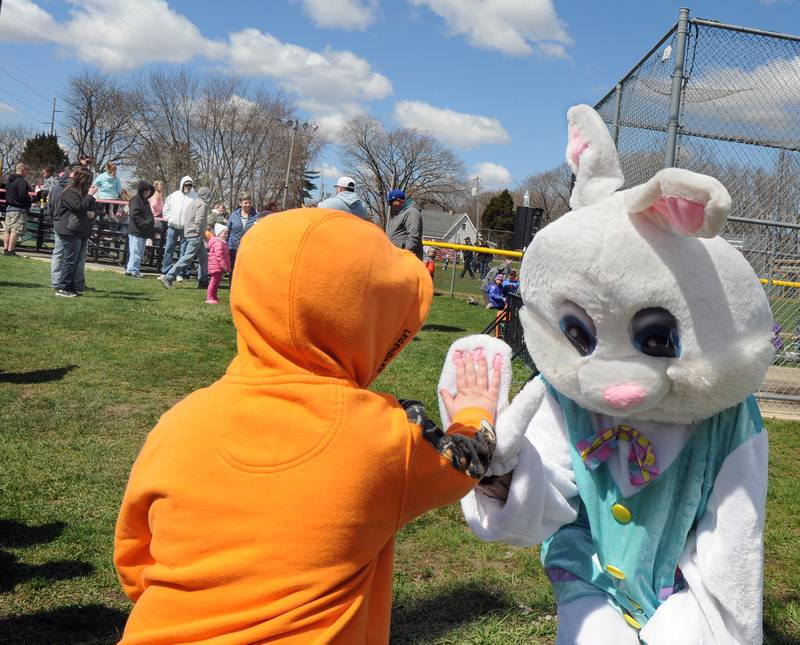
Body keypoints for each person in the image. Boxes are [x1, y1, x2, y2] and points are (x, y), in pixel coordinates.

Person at [114, 208, 501, 644]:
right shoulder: (387, 436)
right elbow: (466, 464)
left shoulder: (177, 423)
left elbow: (134, 558)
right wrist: (474, 414)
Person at [52, 168, 97, 297]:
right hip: (69, 230)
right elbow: (79, 208)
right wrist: (89, 196)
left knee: (76, 260)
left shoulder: (82, 194)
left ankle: (72, 287)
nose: (90, 184)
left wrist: (92, 213)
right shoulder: (69, 193)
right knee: (69, 259)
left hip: (81, 231)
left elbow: (92, 211)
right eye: (89, 181)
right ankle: (64, 287)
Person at [159, 186, 211, 288]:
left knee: (204, 258)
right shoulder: (203, 204)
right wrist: (201, 233)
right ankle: (169, 277)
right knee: (187, 257)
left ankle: (203, 280)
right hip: (196, 235)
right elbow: (199, 221)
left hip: (190, 233)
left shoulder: (193, 202)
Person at [160, 176, 197, 276]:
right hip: (173, 226)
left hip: (186, 228)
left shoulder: (195, 197)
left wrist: (192, 224)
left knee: (184, 251)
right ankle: (166, 270)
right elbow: (166, 209)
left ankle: (180, 272)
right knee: (169, 248)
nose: (188, 187)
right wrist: (169, 218)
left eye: (190, 185)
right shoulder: (174, 196)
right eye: (186, 184)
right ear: (182, 184)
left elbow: (198, 212)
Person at [126, 182, 155, 278]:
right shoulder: (135, 200)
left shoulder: (146, 202)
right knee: (136, 252)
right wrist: (144, 223)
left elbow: (149, 215)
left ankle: (130, 269)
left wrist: (148, 224)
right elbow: (134, 214)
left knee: (138, 252)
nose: (148, 193)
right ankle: (135, 271)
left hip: (142, 231)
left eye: (149, 191)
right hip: (136, 230)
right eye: (146, 190)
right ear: (142, 190)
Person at [3, 162, 32, 256]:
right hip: (18, 209)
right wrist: (30, 200)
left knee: (7, 230)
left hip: (9, 208)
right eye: (27, 170)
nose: (28, 172)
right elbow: (23, 195)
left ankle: (6, 249)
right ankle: (11, 251)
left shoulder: (9, 180)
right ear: (22, 169)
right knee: (15, 231)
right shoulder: (21, 181)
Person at [386, 189, 423, 259]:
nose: (390, 205)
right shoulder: (398, 214)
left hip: (405, 259)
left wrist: (404, 254)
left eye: (391, 202)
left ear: (398, 200)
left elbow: (414, 237)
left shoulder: (412, 212)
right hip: (396, 257)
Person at [227, 192, 257, 271]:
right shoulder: (233, 216)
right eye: (245, 203)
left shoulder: (256, 216)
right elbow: (227, 231)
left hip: (249, 249)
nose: (248, 205)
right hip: (233, 248)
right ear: (240, 203)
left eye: (249, 202)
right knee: (233, 271)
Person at [205, 223, 230, 304]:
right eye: (224, 233)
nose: (226, 235)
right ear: (219, 234)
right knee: (214, 282)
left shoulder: (222, 242)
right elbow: (219, 256)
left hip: (218, 266)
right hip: (216, 266)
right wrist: (224, 266)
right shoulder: (218, 243)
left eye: (227, 233)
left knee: (216, 282)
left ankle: (214, 296)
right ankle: (209, 297)